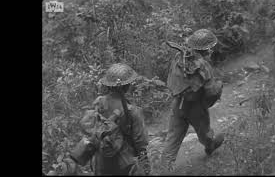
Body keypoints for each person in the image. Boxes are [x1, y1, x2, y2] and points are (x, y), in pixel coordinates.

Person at [51, 63, 151, 175]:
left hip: (101, 163)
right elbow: (141, 144)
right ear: (126, 86)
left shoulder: (99, 103)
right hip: (125, 165)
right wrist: (146, 168)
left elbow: (91, 132)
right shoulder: (133, 111)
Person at [161, 29, 225, 171]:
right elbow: (211, 92)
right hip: (196, 108)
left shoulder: (180, 57)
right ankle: (210, 146)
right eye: (210, 48)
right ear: (207, 48)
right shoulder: (204, 66)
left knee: (172, 138)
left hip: (178, 103)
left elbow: (172, 77)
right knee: (205, 133)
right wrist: (219, 86)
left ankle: (163, 169)